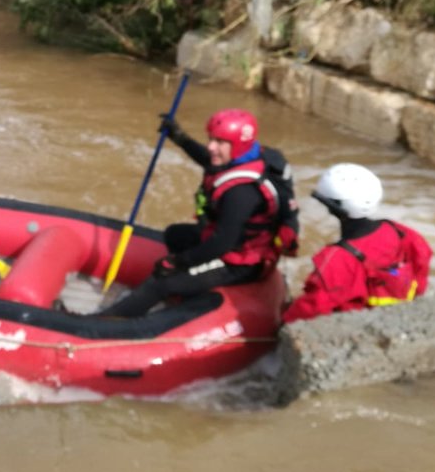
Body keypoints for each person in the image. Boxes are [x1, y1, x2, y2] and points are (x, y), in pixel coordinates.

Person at [100, 108, 297, 317]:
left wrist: (178, 262)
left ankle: (103, 321)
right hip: (234, 242)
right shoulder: (248, 156)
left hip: (240, 263)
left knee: (162, 280)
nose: (211, 146)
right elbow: (208, 159)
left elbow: (222, 243)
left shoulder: (242, 193)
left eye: (219, 142)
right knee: (175, 235)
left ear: (238, 146)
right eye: (211, 139)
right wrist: (180, 137)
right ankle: (189, 292)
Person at [283, 163, 432, 323]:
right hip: (397, 318)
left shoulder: (336, 259)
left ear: (333, 208)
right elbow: (422, 264)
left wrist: (282, 323)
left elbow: (312, 307)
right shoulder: (400, 232)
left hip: (355, 326)